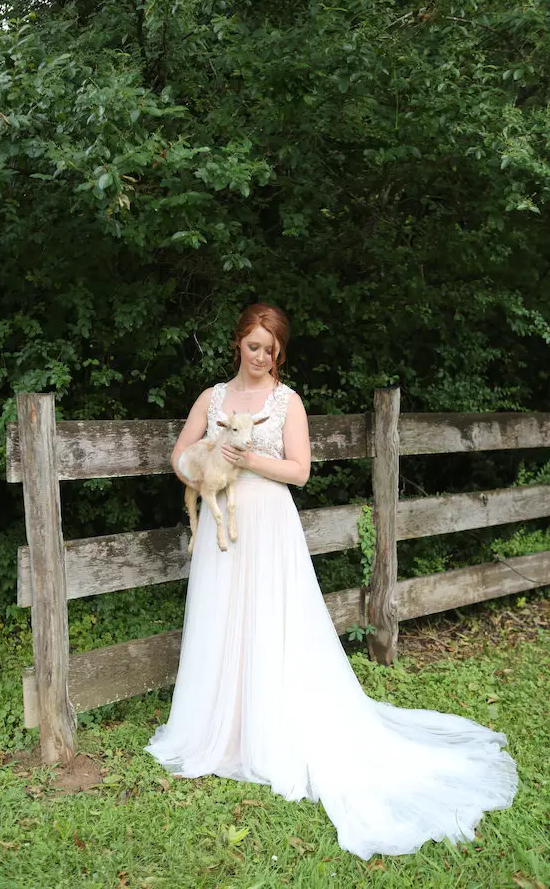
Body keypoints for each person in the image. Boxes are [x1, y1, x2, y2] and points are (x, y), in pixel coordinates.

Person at [144, 302, 518, 860]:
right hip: (223, 527)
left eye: (270, 350)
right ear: (238, 344)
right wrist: (199, 463)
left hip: (269, 524)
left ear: (279, 354)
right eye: (252, 346)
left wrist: (246, 458)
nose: (260, 357)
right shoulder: (211, 399)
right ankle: (223, 729)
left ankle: (275, 727)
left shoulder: (286, 402)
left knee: (274, 622)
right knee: (224, 619)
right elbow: (178, 458)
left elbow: (299, 471)